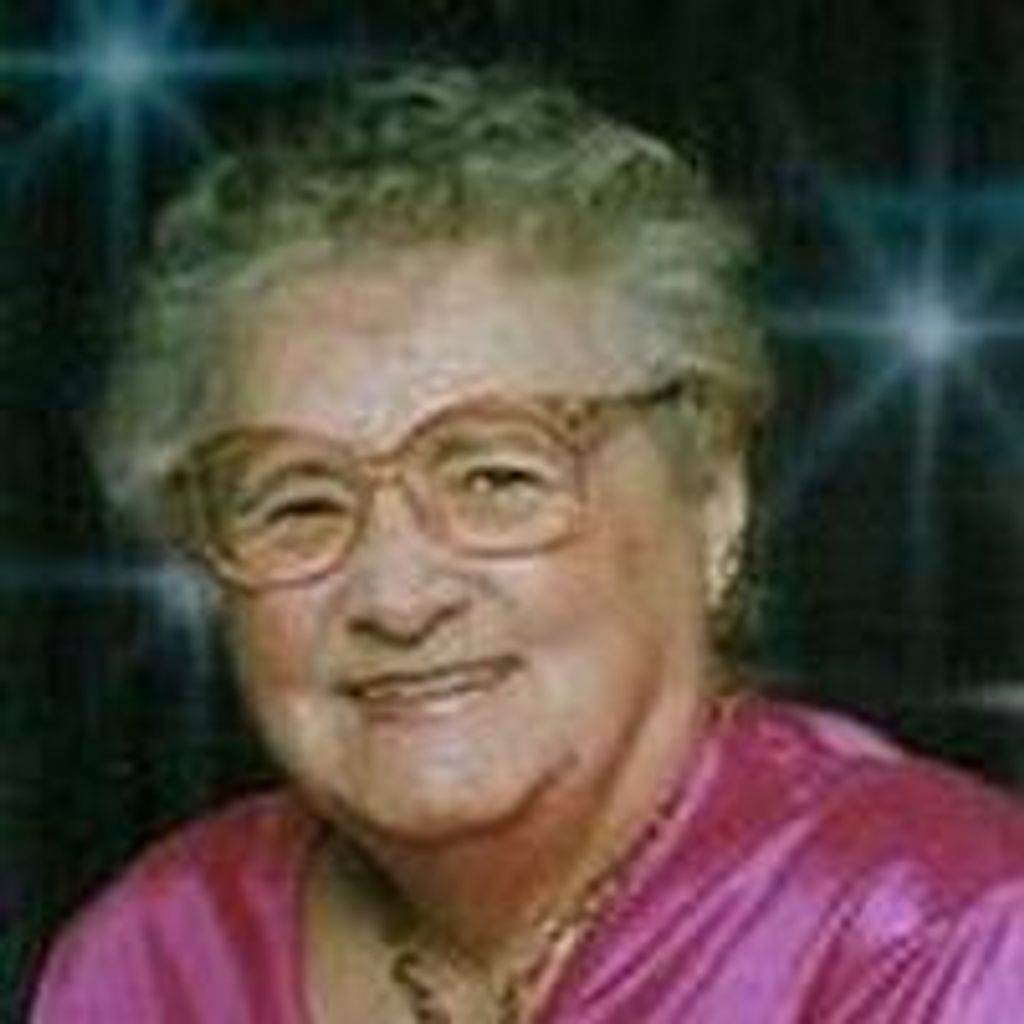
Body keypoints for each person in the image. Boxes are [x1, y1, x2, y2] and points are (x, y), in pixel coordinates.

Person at [32, 65, 1024, 1023]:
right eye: (299, 504)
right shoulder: (152, 956)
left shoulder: (947, 933)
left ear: (711, 502)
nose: (396, 597)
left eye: (496, 477)